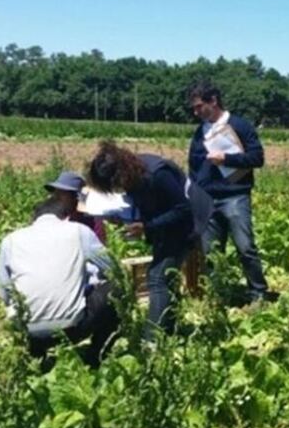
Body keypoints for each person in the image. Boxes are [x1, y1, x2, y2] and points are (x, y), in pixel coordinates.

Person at [88, 140, 207, 335]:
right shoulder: (133, 175)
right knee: (166, 276)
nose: (118, 189)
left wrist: (146, 226)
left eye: (116, 184)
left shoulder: (158, 174)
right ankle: (170, 327)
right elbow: (147, 203)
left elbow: (183, 209)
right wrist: (124, 218)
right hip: (166, 223)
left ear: (121, 172)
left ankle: (152, 338)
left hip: (189, 222)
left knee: (157, 278)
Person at [0, 197, 117, 366]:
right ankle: (96, 355)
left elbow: (5, 292)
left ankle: (36, 355)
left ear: (33, 219)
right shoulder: (79, 231)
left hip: (29, 331)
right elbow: (113, 268)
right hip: (72, 328)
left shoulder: (10, 240)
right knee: (116, 288)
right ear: (66, 217)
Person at [187, 82, 274, 303]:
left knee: (245, 248)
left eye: (199, 107)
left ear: (213, 101)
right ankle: (218, 295)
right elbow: (194, 165)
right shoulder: (200, 132)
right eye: (194, 108)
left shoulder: (240, 126)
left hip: (235, 196)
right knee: (211, 252)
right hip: (207, 199)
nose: (195, 112)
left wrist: (227, 159)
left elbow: (257, 158)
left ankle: (259, 293)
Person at [45, 171, 106, 243]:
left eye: (62, 193)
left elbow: (99, 250)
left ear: (75, 196)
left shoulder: (93, 222)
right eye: (56, 192)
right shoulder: (52, 219)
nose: (56, 197)